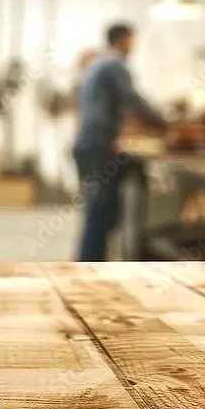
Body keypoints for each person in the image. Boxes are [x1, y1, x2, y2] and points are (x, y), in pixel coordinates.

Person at [73, 23, 167, 261]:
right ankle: (89, 266)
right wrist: (164, 122)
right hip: (97, 146)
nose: (134, 45)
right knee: (101, 210)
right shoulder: (113, 64)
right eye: (132, 40)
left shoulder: (100, 65)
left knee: (104, 210)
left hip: (92, 144)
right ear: (123, 39)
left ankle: (94, 263)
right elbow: (132, 98)